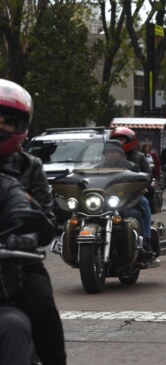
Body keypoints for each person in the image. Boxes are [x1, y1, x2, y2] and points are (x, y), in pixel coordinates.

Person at [0, 78, 66, 364]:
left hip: (19, 262)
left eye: (7, 121)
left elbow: (46, 221)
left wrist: (26, 238)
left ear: (22, 127)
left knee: (42, 310)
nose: (0, 126)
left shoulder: (30, 167)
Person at [0, 173, 43, 365]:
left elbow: (21, 209)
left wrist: (23, 236)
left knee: (14, 325)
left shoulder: (6, 187)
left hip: (3, 301)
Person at [110, 127, 155, 245]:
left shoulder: (138, 157)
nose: (119, 142)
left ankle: (147, 237)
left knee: (144, 203)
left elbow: (148, 175)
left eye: (121, 139)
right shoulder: (107, 160)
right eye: (116, 139)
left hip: (133, 194)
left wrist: (142, 185)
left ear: (130, 140)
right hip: (112, 195)